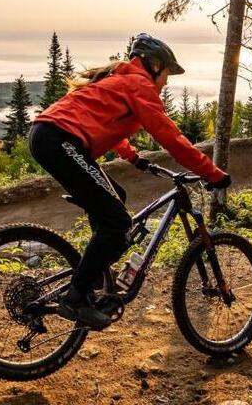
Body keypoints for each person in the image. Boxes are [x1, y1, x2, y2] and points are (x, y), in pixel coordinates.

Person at [28, 33, 230, 329]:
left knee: (115, 198)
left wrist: (131, 155)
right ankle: (75, 298)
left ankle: (93, 275)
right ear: (155, 66)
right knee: (118, 222)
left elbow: (106, 121)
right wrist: (211, 172)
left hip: (53, 138)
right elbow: (171, 138)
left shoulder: (123, 81)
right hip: (59, 140)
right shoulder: (139, 84)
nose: (166, 83)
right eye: (167, 75)